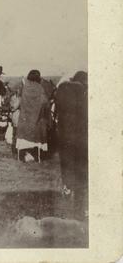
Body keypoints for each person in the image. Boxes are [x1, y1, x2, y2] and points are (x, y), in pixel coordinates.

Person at [55, 71, 88, 215]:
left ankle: (67, 187)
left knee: (67, 161)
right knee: (80, 163)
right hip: (79, 134)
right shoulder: (81, 92)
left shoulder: (62, 89)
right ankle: (79, 197)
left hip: (64, 134)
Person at [15, 70, 50, 160]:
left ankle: (23, 155)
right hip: (36, 123)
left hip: (24, 122)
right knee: (41, 124)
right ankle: (36, 155)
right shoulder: (40, 88)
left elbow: (21, 101)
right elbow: (44, 102)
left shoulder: (25, 87)